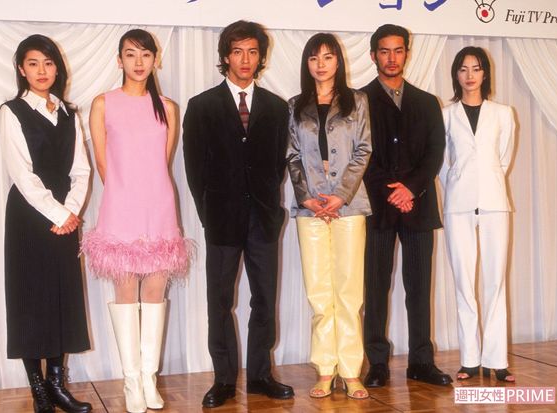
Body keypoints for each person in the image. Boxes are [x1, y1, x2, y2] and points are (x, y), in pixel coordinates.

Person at [183, 20, 294, 409]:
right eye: (237, 52)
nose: (245, 60)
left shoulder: (277, 108)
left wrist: (268, 205)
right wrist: (208, 213)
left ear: (261, 57)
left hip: (263, 219)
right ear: (225, 57)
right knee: (219, 301)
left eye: (252, 52)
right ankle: (224, 379)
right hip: (221, 220)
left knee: (264, 299)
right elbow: (194, 169)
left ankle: (261, 375)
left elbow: (278, 164)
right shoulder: (202, 106)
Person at [81, 29, 192, 412]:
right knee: (126, 292)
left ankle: (148, 378)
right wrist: (124, 196)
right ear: (119, 60)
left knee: (156, 292)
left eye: (146, 54)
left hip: (158, 206)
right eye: (131, 54)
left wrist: (147, 194)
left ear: (155, 59)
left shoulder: (168, 108)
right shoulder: (103, 104)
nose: (139, 61)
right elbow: (102, 162)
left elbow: (162, 161)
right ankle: (131, 381)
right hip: (121, 206)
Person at [0, 34, 92, 413]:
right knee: (30, 299)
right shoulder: (12, 111)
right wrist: (58, 214)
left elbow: (81, 170)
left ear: (58, 68)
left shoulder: (70, 113)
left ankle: (57, 385)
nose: (42, 70)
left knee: (61, 298)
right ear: (22, 69)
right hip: (29, 215)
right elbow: (22, 174)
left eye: (48, 63)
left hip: (65, 216)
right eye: (33, 63)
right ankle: (38, 390)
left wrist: (70, 211)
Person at [361, 24, 452, 387]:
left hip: (418, 207)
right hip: (378, 209)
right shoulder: (359, 100)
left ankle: (421, 362)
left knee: (419, 287)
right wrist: (391, 190)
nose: (392, 58)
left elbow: (435, 153)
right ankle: (377, 363)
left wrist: (410, 189)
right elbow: (360, 154)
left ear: (407, 54)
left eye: (398, 50)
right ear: (373, 55)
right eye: (384, 51)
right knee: (375, 287)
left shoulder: (427, 102)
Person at [287, 33, 372, 399]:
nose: (320, 64)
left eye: (327, 57)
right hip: (310, 210)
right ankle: (325, 369)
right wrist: (307, 198)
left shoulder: (358, 101)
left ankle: (351, 371)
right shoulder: (295, 105)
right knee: (319, 291)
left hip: (348, 206)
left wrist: (340, 195)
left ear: (339, 61)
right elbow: (292, 156)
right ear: (306, 64)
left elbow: (364, 149)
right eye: (313, 58)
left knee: (349, 292)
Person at [440, 46, 515, 382]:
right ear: (456, 74)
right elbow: (441, 163)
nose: (470, 75)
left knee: (495, 282)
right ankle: (469, 359)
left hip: (495, 203)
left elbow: (503, 158)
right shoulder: (446, 114)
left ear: (485, 73)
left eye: (476, 68)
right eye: (463, 69)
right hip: (458, 205)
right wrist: (458, 181)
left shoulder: (503, 113)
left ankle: (497, 360)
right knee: (463, 282)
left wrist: (487, 179)